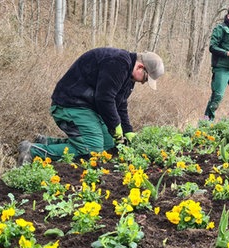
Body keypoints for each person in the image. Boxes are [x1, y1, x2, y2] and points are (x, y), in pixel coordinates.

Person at [18, 48, 164, 165]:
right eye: (146, 78)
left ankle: (47, 142)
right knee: (92, 149)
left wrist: (127, 130)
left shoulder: (128, 77)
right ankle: (32, 151)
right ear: (140, 67)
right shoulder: (118, 63)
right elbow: (105, 99)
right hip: (70, 104)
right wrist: (115, 126)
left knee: (108, 145)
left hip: (88, 108)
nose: (144, 82)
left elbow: (120, 105)